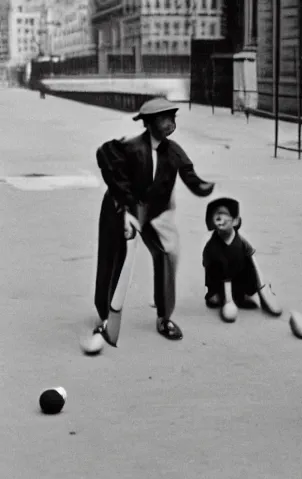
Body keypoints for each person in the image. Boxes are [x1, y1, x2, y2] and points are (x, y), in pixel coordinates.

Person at [93, 97, 215, 344]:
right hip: (119, 207)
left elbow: (188, 173)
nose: (170, 124)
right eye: (163, 119)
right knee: (113, 259)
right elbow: (105, 157)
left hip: (151, 212)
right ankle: (105, 317)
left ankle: (164, 317)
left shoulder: (174, 150)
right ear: (148, 123)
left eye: (172, 119)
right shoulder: (131, 146)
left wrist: (201, 186)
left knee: (165, 256)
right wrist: (127, 207)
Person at [202, 197, 282, 322]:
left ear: (235, 221)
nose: (219, 218)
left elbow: (253, 262)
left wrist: (262, 288)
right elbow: (216, 271)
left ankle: (248, 294)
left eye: (224, 214)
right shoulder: (212, 247)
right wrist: (228, 301)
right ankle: (226, 298)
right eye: (216, 215)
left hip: (239, 277)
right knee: (215, 300)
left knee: (248, 267)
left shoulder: (241, 242)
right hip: (219, 281)